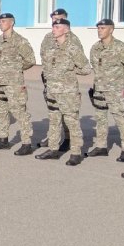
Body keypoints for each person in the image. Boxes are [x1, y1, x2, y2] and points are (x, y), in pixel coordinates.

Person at [34, 18, 91, 165]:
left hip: (68, 93)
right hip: (52, 91)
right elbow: (47, 67)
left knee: (72, 122)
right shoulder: (51, 48)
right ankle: (53, 149)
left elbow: (86, 69)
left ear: (66, 30)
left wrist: (69, 71)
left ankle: (76, 153)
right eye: (53, 27)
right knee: (54, 121)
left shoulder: (73, 48)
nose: (53, 29)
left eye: (57, 27)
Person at [0, 13, 36, 155]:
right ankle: (3, 139)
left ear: (12, 23)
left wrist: (15, 69)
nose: (0, 24)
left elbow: (30, 60)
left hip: (13, 84)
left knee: (19, 112)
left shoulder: (20, 41)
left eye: (3, 21)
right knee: (1, 112)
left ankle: (26, 143)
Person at [86, 19, 124, 171]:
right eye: (98, 28)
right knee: (100, 118)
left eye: (103, 28)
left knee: (120, 118)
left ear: (111, 30)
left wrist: (117, 78)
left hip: (115, 89)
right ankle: (101, 146)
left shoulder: (121, 47)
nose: (99, 30)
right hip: (99, 88)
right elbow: (95, 67)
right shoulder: (95, 48)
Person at [38, 8, 84, 151]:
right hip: (51, 82)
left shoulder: (73, 39)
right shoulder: (48, 37)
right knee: (54, 113)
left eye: (59, 19)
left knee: (68, 114)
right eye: (53, 19)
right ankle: (53, 138)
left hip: (65, 85)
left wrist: (65, 73)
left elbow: (80, 63)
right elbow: (43, 55)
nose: (55, 21)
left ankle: (68, 139)